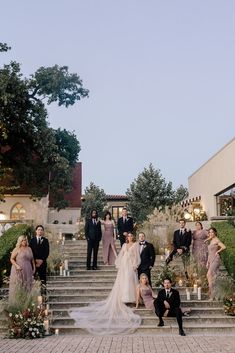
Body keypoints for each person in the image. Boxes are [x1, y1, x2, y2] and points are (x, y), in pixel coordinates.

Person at [69, 232, 141, 335]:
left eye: (131, 236)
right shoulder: (124, 245)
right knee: (124, 281)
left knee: (130, 280)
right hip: (124, 264)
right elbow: (122, 255)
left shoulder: (135, 244)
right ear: (127, 237)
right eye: (128, 236)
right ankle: (124, 298)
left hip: (131, 265)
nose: (130, 237)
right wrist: (119, 264)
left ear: (133, 237)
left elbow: (137, 256)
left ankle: (132, 298)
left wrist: (135, 264)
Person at [9, 235, 35, 304]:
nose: (25, 241)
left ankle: (27, 303)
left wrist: (34, 268)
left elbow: (32, 259)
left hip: (28, 269)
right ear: (20, 241)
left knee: (28, 285)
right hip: (18, 270)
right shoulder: (16, 249)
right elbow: (11, 259)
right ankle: (18, 303)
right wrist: (16, 265)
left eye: (25, 240)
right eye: (23, 240)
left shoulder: (29, 248)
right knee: (19, 285)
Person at [205, 227, 226, 300]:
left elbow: (224, 247)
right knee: (212, 276)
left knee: (209, 274)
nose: (211, 233)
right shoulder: (211, 240)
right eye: (210, 232)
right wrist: (207, 262)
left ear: (215, 233)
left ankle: (211, 293)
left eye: (212, 232)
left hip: (215, 259)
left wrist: (217, 252)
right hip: (211, 259)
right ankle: (214, 292)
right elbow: (209, 253)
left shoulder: (216, 240)